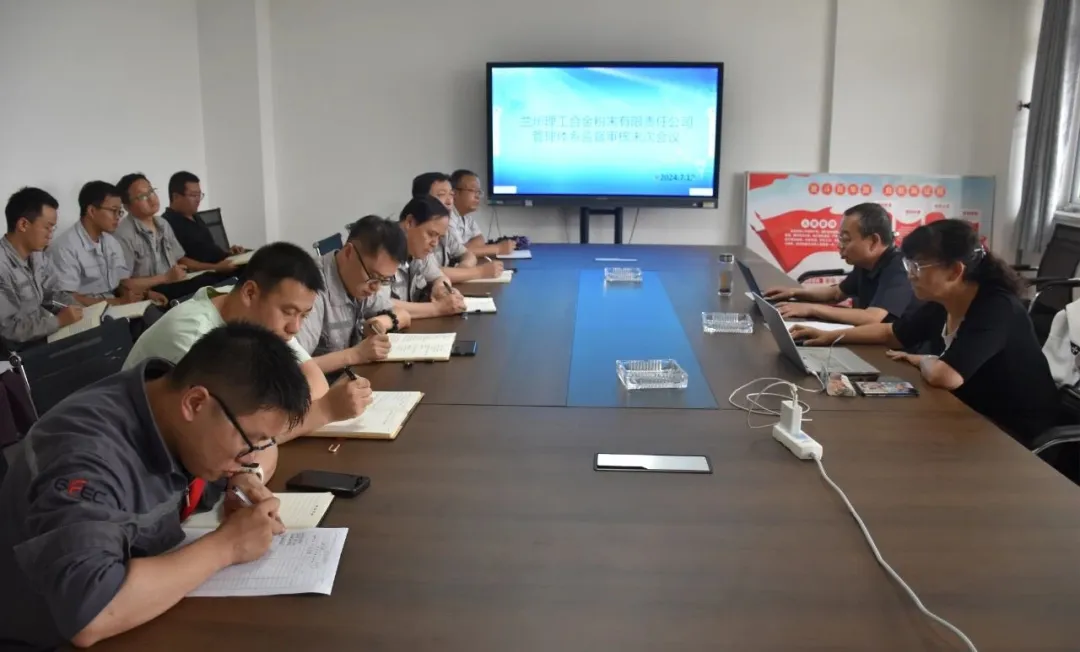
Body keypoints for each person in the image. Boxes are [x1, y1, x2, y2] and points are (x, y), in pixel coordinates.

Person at [0, 323, 311, 649]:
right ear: (195, 403)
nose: (249, 456)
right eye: (249, 442)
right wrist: (228, 546)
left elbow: (256, 451)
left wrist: (242, 478)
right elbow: (91, 612)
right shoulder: (86, 457)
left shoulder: (173, 408)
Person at [790, 220, 1058, 447]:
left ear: (955, 271)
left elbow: (945, 376)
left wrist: (924, 360)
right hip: (968, 414)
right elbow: (892, 334)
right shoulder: (943, 301)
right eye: (909, 266)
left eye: (918, 267)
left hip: (1014, 434)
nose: (910, 275)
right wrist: (830, 336)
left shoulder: (996, 307)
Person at [123, 241, 374, 448]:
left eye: (304, 315)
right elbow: (233, 438)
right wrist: (324, 411)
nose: (295, 327)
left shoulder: (257, 317)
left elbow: (314, 381)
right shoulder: (193, 335)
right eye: (288, 312)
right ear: (250, 293)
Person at [764, 203, 917, 326]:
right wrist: (794, 293)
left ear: (873, 241)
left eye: (846, 239)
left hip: (902, 351)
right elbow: (836, 294)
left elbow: (872, 317)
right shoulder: (865, 264)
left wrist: (811, 309)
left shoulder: (899, 268)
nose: (840, 246)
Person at [298, 215, 413, 374]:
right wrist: (356, 354)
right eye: (374, 276)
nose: (376, 288)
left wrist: (381, 322)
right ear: (348, 253)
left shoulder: (364, 281)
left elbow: (403, 315)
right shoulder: (310, 287)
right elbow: (294, 367)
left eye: (384, 280)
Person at [48, 181, 164, 307]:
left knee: (159, 314)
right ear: (92, 211)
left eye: (120, 212)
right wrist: (118, 302)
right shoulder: (65, 248)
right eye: (113, 211)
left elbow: (121, 283)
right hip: (88, 313)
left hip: (117, 306)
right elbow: (67, 299)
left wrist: (145, 294)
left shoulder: (111, 241)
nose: (118, 217)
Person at [113, 173, 231, 297]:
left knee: (216, 280)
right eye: (142, 196)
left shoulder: (162, 224)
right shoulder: (123, 235)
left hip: (176, 282)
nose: (152, 199)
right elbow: (123, 284)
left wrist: (214, 266)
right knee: (213, 285)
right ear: (127, 206)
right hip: (153, 292)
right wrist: (165, 278)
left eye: (151, 191)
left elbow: (180, 259)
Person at [0, 187, 82, 350]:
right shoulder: (2, 266)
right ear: (23, 224)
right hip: (16, 351)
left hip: (42, 337)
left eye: (53, 228)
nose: (50, 234)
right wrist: (58, 321)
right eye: (47, 227)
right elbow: (8, 330)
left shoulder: (37, 256)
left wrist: (81, 310)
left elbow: (51, 294)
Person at [412, 172, 503, 282]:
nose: (450, 201)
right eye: (441, 195)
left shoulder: (444, 230)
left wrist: (463, 270)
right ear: (422, 199)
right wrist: (481, 272)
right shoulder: (416, 230)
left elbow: (467, 253)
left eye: (451, 195)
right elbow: (433, 272)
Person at [388, 196, 466, 319]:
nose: (435, 243)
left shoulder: (418, 250)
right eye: (431, 234)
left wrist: (441, 289)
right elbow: (378, 303)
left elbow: (439, 276)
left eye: (439, 237)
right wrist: (437, 308)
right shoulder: (382, 249)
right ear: (410, 222)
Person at [162, 170, 247, 265]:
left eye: (199, 195)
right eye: (193, 195)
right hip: (207, 271)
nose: (198, 200)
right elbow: (181, 262)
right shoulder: (166, 223)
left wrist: (228, 253)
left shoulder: (195, 216)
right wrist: (216, 267)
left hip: (221, 264)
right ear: (176, 197)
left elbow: (208, 250)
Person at [450, 169, 515, 257]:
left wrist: (467, 249)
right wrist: (498, 248)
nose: (477, 196)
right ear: (455, 193)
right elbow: (458, 253)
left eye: (479, 192)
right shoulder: (446, 218)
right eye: (473, 190)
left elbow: (480, 240)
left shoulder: (467, 219)